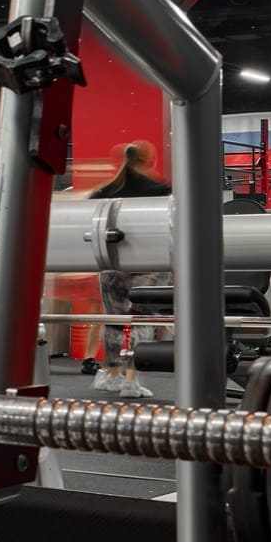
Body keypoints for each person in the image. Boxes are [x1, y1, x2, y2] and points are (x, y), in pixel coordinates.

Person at [86, 142, 168, 396]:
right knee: (141, 320)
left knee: (113, 321)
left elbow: (89, 222)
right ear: (150, 161)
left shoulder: (105, 191)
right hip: (149, 264)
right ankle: (131, 380)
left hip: (112, 263)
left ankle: (112, 376)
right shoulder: (161, 191)